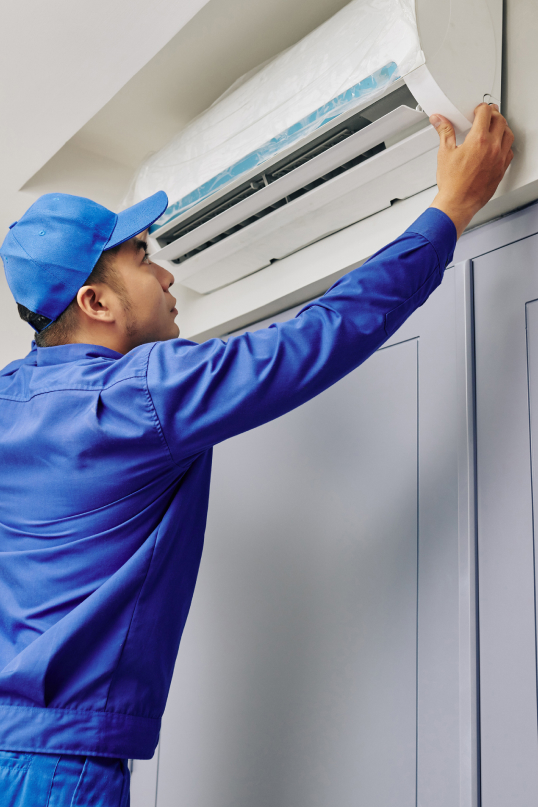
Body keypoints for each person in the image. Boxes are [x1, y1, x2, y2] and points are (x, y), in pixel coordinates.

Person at [0, 105, 513, 806]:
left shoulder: (11, 398)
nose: (167, 276)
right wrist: (449, 211)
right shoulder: (143, 393)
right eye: (144, 257)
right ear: (96, 300)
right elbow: (317, 338)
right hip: (62, 774)